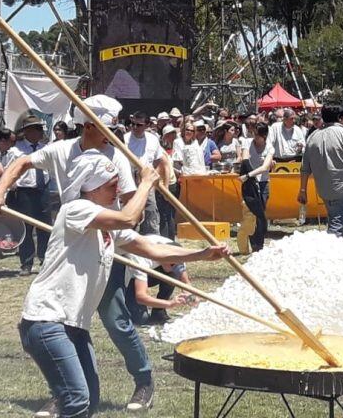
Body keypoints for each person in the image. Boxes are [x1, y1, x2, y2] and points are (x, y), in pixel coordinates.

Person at [20, 152, 227, 417]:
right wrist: (145, 184)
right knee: (76, 399)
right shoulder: (76, 210)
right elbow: (129, 218)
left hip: (74, 326)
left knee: (88, 400)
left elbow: (153, 250)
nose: (117, 189)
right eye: (111, 184)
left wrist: (202, 254)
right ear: (90, 186)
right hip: (47, 320)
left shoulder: (108, 226)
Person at [0, 95, 157, 412]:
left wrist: (121, 220)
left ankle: (144, 380)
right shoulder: (63, 150)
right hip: (71, 243)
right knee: (64, 315)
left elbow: (135, 208)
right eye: (107, 127)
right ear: (89, 125)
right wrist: (0, 190)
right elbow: (22, 162)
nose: (112, 134)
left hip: (107, 240)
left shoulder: (115, 157)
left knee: (115, 319)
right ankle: (65, 388)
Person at [298, 106, 343, 237]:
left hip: (323, 188)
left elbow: (304, 167)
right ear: (340, 118)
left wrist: (303, 190)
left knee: (335, 219)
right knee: (337, 225)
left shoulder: (313, 136)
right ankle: (333, 252)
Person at [8, 115, 52, 276]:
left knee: (45, 227)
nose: (40, 132)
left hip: (43, 190)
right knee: (25, 228)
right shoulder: (15, 150)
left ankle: (45, 259)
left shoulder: (45, 148)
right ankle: (26, 263)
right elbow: (9, 171)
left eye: (41, 129)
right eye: (37, 129)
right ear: (27, 131)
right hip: (24, 191)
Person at [122, 234, 196, 325]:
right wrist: (169, 303)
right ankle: (124, 300)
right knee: (141, 319)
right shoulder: (141, 259)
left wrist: (191, 297)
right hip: (128, 277)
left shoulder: (177, 254)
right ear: (163, 256)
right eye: (172, 264)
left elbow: (186, 283)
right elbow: (140, 297)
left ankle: (158, 312)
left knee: (173, 275)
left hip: (152, 269)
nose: (175, 266)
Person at [125, 111, 170, 236]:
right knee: (131, 213)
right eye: (132, 124)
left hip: (147, 182)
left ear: (147, 125)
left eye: (138, 125)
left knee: (151, 213)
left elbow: (160, 161)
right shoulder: (125, 139)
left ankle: (153, 240)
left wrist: (158, 182)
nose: (134, 127)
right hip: (130, 181)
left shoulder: (153, 139)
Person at [239, 122, 274, 252]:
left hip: (263, 182)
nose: (255, 137)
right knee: (251, 213)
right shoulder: (247, 143)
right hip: (250, 184)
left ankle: (259, 244)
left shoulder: (270, 147)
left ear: (264, 136)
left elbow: (265, 167)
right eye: (254, 134)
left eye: (257, 135)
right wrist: (248, 177)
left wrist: (248, 175)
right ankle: (252, 242)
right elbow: (245, 159)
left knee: (260, 214)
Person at [156, 125, 179, 241]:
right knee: (167, 214)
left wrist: (165, 188)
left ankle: (167, 240)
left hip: (167, 184)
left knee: (165, 215)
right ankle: (170, 238)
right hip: (169, 184)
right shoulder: (163, 151)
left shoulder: (160, 152)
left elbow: (165, 169)